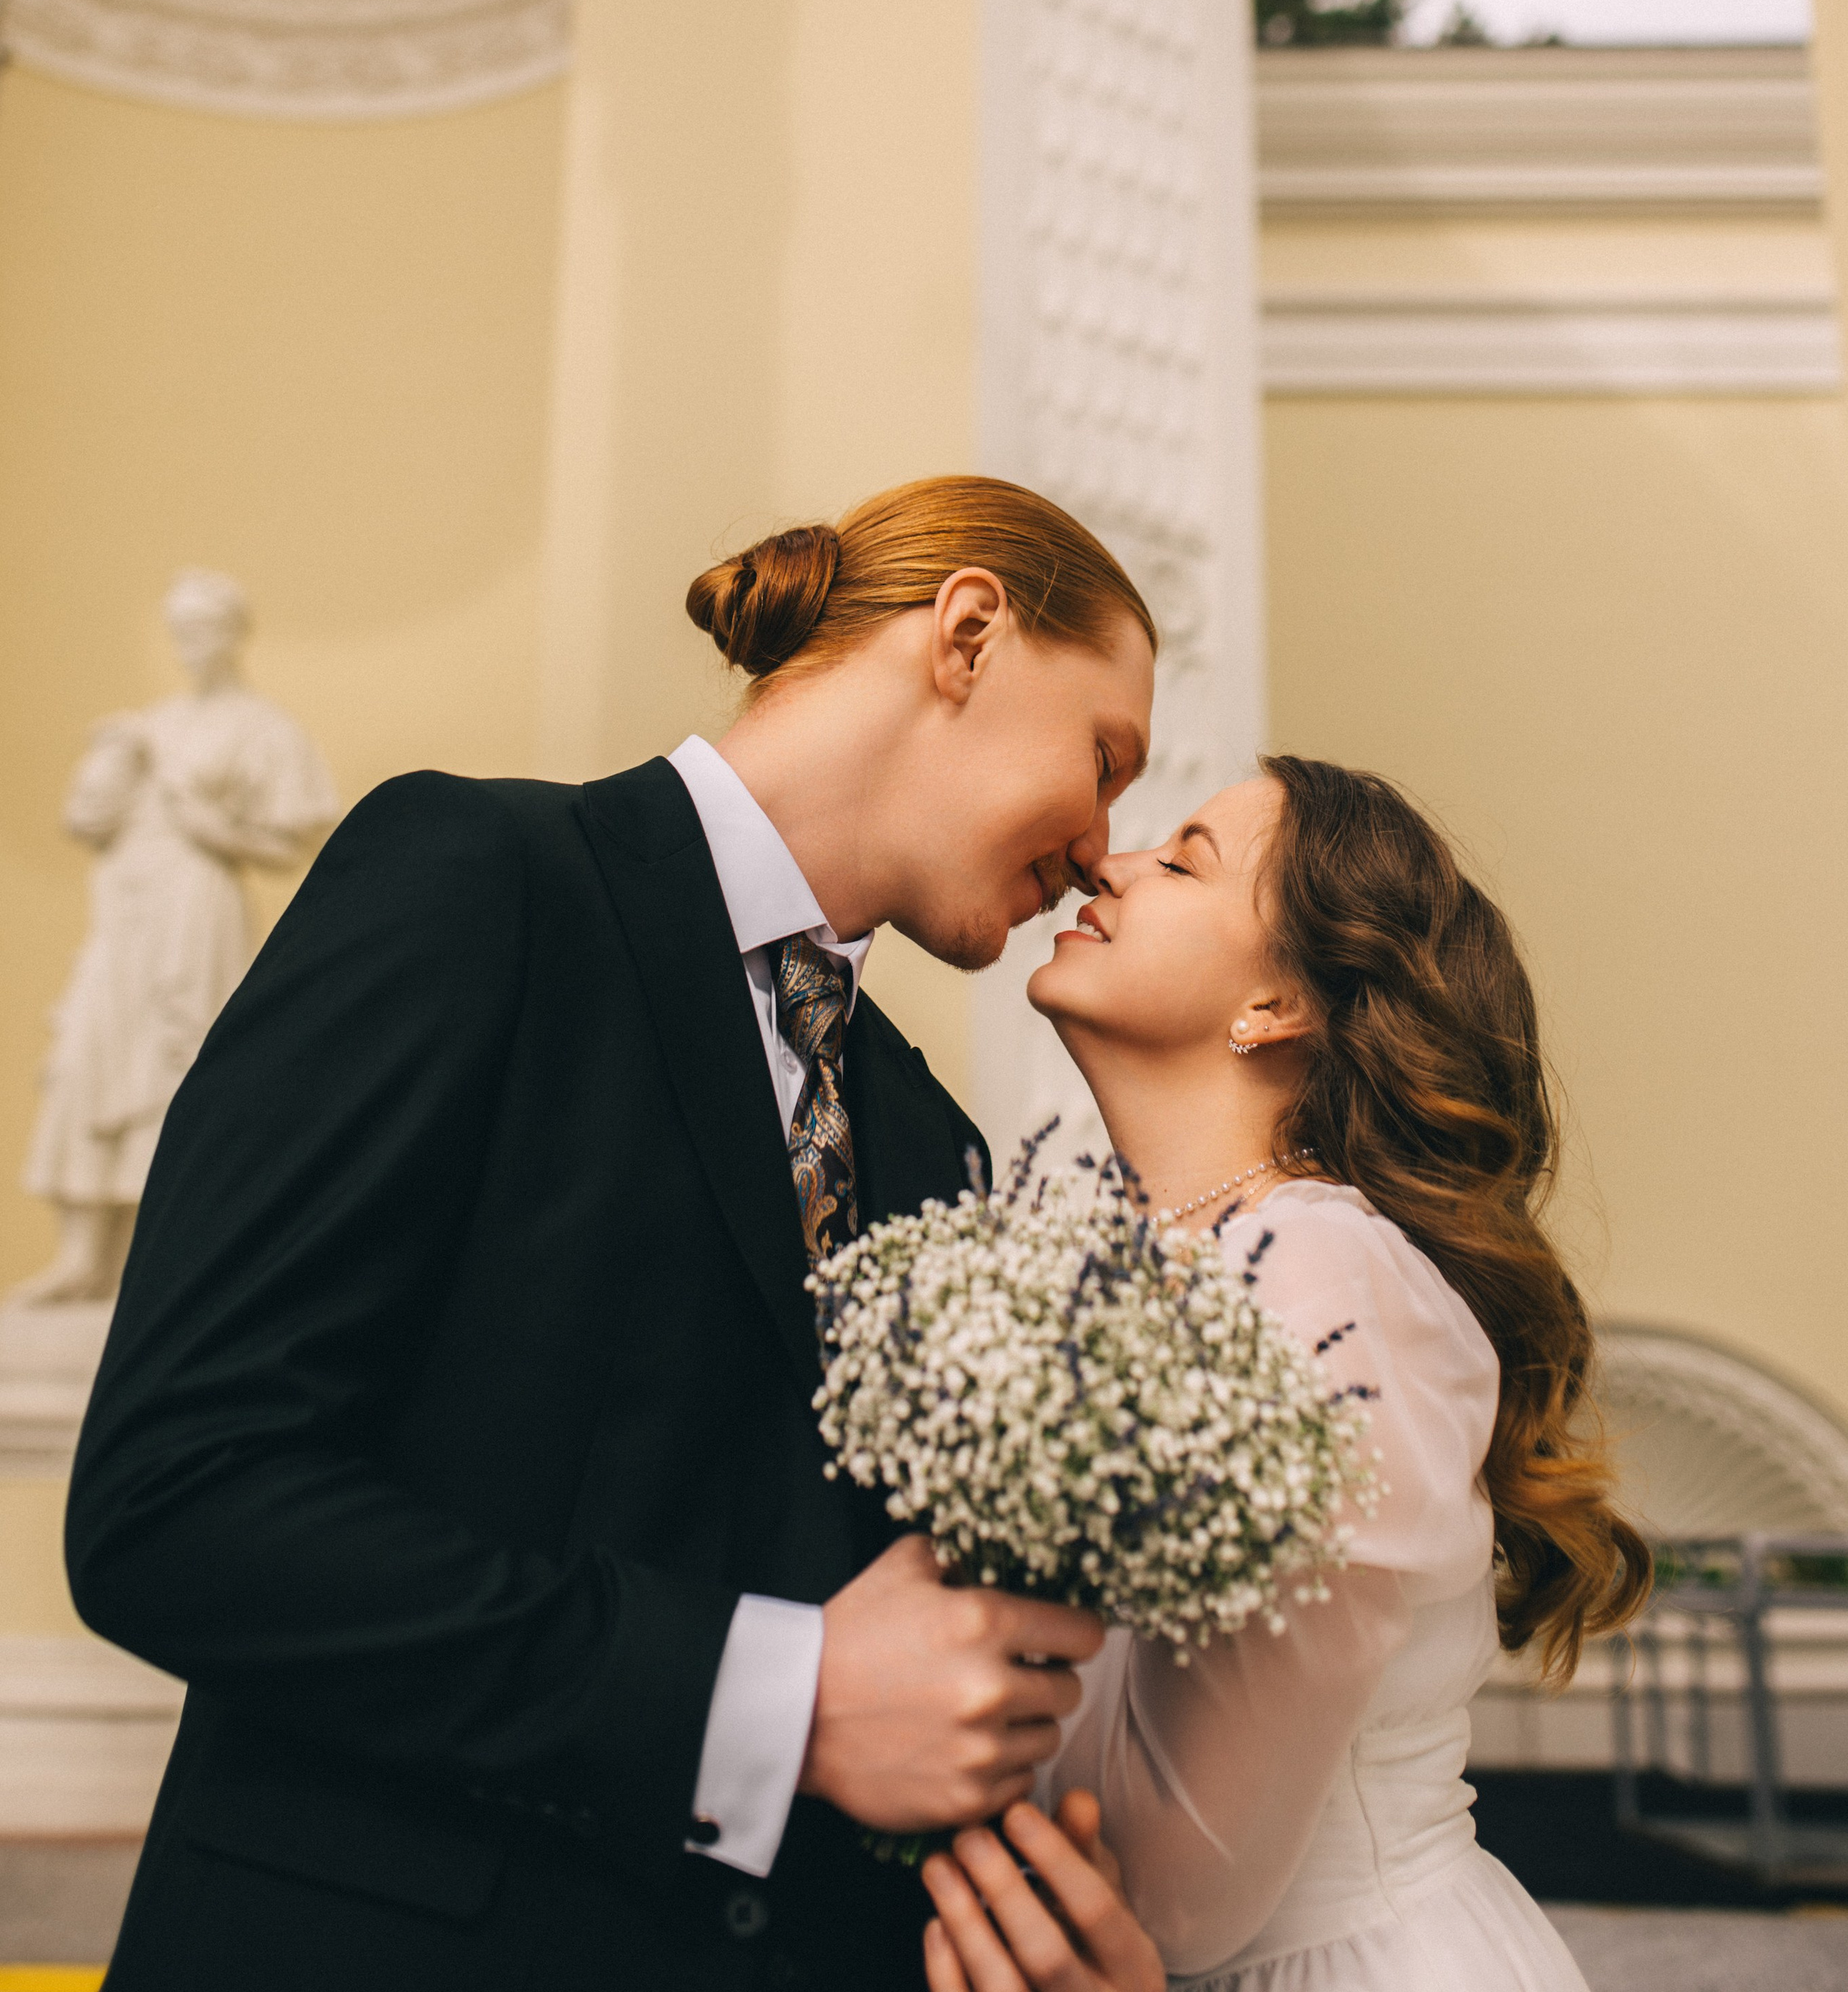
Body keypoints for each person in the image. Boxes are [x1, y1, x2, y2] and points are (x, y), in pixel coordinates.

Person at [64, 477, 1156, 1992]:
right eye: (1103, 758)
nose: (1106, 846)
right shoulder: (473, 883)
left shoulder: (924, 1138)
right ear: (965, 633)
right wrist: (769, 1700)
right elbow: (173, 1505)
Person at [927, 754, 1649, 1992]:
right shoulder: (1132, 1264)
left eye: (1185, 856)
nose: (1110, 859)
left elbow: (1172, 1892)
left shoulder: (1325, 1280)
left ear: (1278, 1003)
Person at [17, 568, 337, 1306]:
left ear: (233, 633)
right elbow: (89, 814)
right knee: (90, 1055)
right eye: (178, 629)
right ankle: (82, 1254)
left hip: (197, 913)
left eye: (200, 628)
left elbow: (295, 841)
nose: (187, 643)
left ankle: (150, 1260)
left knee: (174, 1064)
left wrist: (215, 827)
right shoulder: (148, 723)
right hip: (128, 909)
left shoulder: (263, 727)